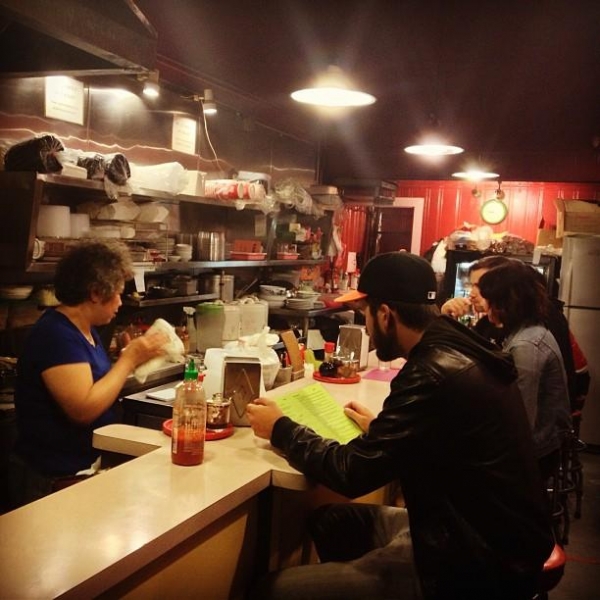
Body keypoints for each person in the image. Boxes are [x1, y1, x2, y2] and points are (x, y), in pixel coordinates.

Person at [246, 252, 554, 600]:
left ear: (385, 314)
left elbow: (351, 473)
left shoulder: (431, 371)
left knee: (270, 591)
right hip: (490, 537)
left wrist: (280, 427)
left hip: (473, 567)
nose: (366, 326)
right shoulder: (454, 345)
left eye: (365, 314)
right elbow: (443, 433)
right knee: (331, 521)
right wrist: (384, 430)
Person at [9, 240, 168, 508]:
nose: (120, 302)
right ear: (95, 293)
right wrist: (128, 360)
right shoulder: (56, 335)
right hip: (50, 480)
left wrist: (131, 358)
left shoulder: (86, 330)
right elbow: (82, 409)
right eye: (117, 293)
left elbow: (96, 384)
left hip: (78, 470)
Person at [442, 255, 579, 410]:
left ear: (504, 295)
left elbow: (520, 412)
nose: (472, 294)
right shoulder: (513, 327)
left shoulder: (528, 342)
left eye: (482, 287)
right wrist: (447, 319)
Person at [477, 261, 572, 479]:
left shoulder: (526, 346)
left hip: (536, 453)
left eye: (491, 301)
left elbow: (520, 421)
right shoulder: (528, 331)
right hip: (542, 444)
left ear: (506, 303)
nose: (487, 307)